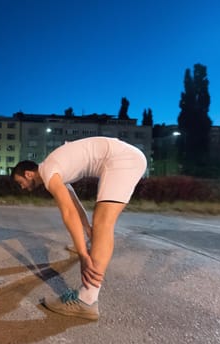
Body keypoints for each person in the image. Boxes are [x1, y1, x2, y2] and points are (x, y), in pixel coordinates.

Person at [10, 136, 147, 320]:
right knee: (100, 223)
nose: (23, 188)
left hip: (122, 159)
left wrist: (83, 254)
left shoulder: (49, 171)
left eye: (21, 183)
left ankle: (87, 300)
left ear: (28, 174)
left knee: (103, 222)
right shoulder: (56, 171)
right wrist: (88, 230)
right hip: (123, 158)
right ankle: (88, 297)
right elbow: (75, 205)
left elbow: (68, 213)